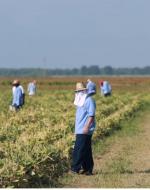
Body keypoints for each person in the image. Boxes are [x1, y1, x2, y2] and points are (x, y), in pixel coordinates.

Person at [71, 82, 96, 175]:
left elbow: (91, 115)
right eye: (78, 91)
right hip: (80, 129)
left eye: (81, 90)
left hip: (85, 129)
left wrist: (86, 127)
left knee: (78, 149)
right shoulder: (80, 101)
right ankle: (88, 169)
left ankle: (75, 169)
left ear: (84, 90)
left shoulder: (89, 100)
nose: (79, 92)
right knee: (86, 149)